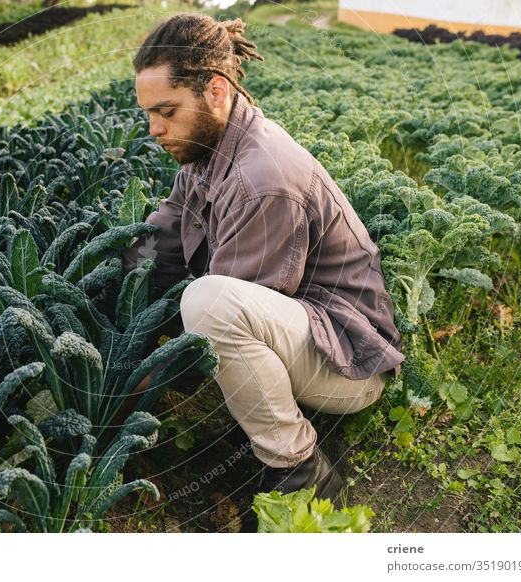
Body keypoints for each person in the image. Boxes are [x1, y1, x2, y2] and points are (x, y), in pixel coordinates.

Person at [120, 13, 405, 530]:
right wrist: (106, 308)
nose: (154, 129)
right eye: (148, 114)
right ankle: (262, 426)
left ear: (216, 90)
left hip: (346, 364)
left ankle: (301, 471)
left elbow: (224, 321)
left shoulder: (263, 178)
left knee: (208, 305)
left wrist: (137, 384)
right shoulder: (206, 152)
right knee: (195, 298)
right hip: (298, 336)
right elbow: (159, 245)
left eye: (165, 111)